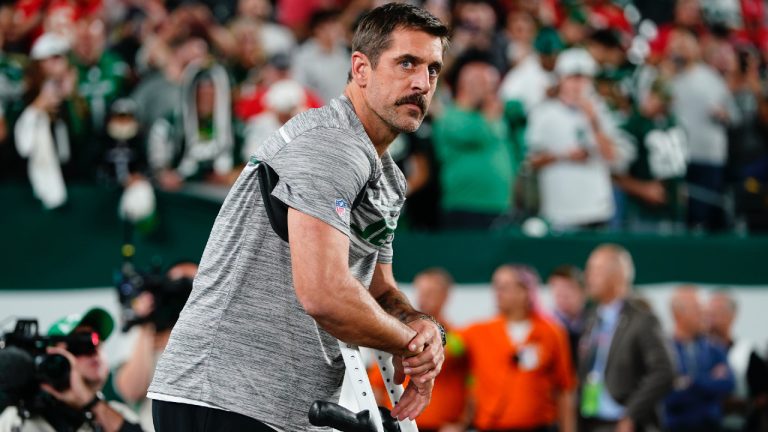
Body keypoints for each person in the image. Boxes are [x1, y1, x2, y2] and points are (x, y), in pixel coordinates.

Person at [148, 4, 449, 431]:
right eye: (407, 63)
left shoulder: (389, 178)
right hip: (219, 396)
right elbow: (324, 294)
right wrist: (411, 343)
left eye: (433, 69)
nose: (422, 83)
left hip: (274, 407)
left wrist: (423, 326)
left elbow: (379, 288)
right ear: (360, 68)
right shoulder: (329, 147)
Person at [458, 265, 576, 432]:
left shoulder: (551, 332)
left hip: (539, 427)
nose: (498, 292)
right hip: (491, 426)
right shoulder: (477, 331)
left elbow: (565, 388)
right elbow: (447, 345)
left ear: (525, 292)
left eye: (505, 287)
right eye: (496, 286)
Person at [579, 244, 675, 432]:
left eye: (595, 270)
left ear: (617, 275)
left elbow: (664, 371)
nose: (588, 277)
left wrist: (631, 413)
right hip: (591, 420)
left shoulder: (642, 320)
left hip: (624, 423)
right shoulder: (591, 317)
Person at [0, 307, 142, 432]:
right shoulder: (18, 419)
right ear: (55, 357)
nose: (95, 352)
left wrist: (91, 403)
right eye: (80, 347)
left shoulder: (117, 413)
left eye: (99, 344)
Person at [526, 48, 618, 230]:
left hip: (597, 209)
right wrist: (564, 156)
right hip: (560, 211)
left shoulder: (602, 110)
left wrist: (593, 120)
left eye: (584, 78)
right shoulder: (543, 113)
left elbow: (612, 157)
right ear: (561, 79)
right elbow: (530, 161)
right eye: (573, 78)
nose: (578, 84)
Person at [369, 268, 468, 432]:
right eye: (420, 291)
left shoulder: (460, 338)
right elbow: (378, 384)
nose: (422, 298)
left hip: (443, 427)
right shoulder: (400, 335)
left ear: (445, 296)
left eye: (430, 292)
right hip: (399, 425)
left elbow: (475, 385)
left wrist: (461, 424)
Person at [108, 262, 198, 432]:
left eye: (193, 284)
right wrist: (147, 325)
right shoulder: (143, 331)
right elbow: (131, 391)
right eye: (177, 285)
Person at [433, 50, 518, 230]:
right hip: (465, 207)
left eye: (493, 85)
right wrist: (491, 116)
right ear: (466, 84)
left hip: (501, 205)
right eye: (485, 84)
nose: (492, 91)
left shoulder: (492, 115)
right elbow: (476, 136)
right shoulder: (449, 117)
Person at [663, 285, 734, 431]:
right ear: (678, 314)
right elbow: (667, 396)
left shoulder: (714, 348)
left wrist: (691, 382)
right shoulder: (663, 351)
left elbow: (728, 383)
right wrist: (709, 380)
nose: (705, 315)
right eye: (698, 310)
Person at [707, 290, 768, 432]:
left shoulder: (747, 353)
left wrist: (742, 405)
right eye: (708, 314)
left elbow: (762, 395)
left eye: (717, 313)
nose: (712, 320)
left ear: (732, 316)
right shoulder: (696, 353)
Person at [548, 264, 587, 368]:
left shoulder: (595, 323)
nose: (562, 294)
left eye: (568, 288)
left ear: (583, 292)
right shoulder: (546, 326)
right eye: (557, 288)